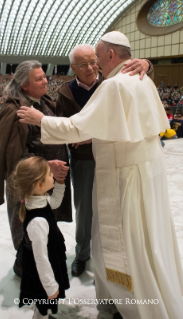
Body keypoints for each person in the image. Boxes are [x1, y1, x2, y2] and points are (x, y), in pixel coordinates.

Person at [17, 31, 183, 319]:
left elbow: (79, 127)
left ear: (109, 55)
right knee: (146, 238)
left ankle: (135, 305)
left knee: (127, 243)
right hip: (146, 170)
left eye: (97, 58)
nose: (95, 66)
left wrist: (41, 119)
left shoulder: (115, 84)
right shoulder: (142, 78)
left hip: (123, 177)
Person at [56, 43, 153, 277]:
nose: (90, 68)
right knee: (85, 209)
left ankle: (113, 257)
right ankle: (82, 254)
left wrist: (148, 64)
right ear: (72, 68)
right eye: (83, 64)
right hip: (84, 160)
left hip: (114, 154)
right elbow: (64, 126)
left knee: (117, 207)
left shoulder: (111, 82)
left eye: (93, 61)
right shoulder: (65, 93)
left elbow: (142, 77)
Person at [0, 60, 72, 278]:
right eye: (39, 78)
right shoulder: (14, 110)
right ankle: (24, 268)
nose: (45, 80)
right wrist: (46, 166)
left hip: (48, 183)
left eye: (45, 76)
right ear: (24, 85)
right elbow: (13, 155)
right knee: (29, 228)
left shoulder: (44, 102)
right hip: (30, 186)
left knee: (43, 227)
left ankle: (35, 264)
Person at [9, 157, 69, 319]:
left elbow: (54, 202)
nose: (53, 176)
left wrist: (60, 183)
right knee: (44, 301)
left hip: (49, 264)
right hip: (43, 273)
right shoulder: (38, 222)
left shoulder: (39, 200)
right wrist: (50, 285)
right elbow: (41, 258)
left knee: (44, 304)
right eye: (50, 175)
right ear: (40, 185)